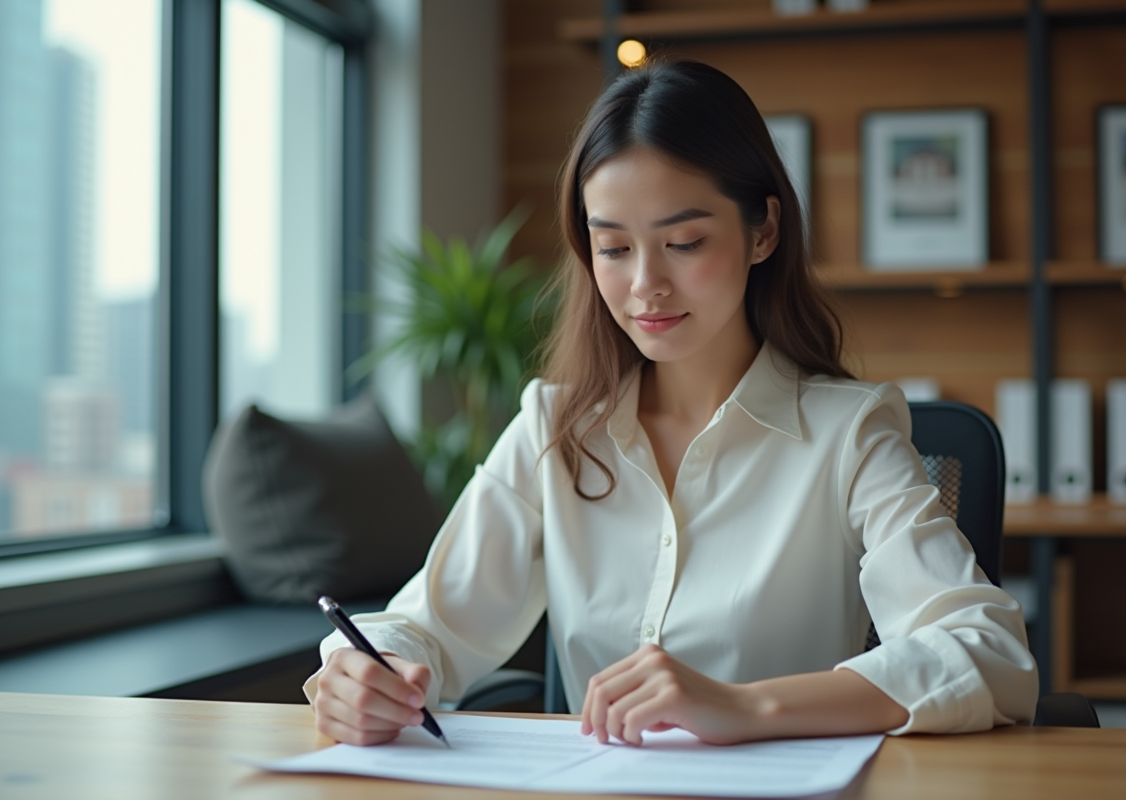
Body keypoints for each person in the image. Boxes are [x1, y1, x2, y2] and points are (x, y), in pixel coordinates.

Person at [306, 60, 1038, 747]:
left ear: (763, 231)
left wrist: (746, 706)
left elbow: (987, 652)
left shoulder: (848, 433)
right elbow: (423, 626)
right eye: (613, 248)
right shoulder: (554, 428)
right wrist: (369, 674)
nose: (645, 285)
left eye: (684, 242)